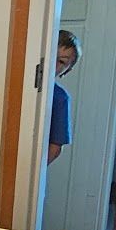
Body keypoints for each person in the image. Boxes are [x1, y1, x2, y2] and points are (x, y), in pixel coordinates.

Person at [49, 29, 80, 166]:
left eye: (61, 62)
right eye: (51, 56)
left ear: (67, 70)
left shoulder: (60, 98)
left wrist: (34, 174)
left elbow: (55, 149)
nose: (53, 64)